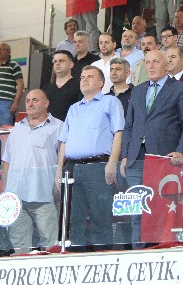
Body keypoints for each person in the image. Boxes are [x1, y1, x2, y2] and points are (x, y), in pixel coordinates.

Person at [121, 49, 183, 245]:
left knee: (161, 209)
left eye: (155, 62)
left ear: (166, 65)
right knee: (138, 212)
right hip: (136, 159)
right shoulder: (138, 90)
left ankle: (160, 253)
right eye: (147, 62)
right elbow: (129, 126)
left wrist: (182, 151)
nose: (151, 66)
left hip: (163, 159)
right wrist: (125, 155)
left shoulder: (180, 88)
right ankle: (139, 255)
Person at [56, 66, 124, 248]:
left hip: (97, 167)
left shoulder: (110, 102)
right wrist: (59, 171)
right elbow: (64, 142)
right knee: (73, 220)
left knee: (100, 218)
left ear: (101, 83)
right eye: (82, 77)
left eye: (90, 76)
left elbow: (118, 133)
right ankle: (75, 258)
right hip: (72, 169)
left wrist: (112, 163)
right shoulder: (73, 109)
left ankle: (103, 259)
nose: (84, 80)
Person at [3, 90, 61, 251]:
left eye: (35, 100)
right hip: (17, 198)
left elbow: (64, 160)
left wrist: (58, 185)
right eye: (27, 100)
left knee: (50, 244)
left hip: (44, 195)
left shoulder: (58, 127)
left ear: (46, 103)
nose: (30, 104)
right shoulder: (17, 129)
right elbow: (7, 162)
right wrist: (6, 193)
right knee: (19, 246)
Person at [0, 42, 24, 127]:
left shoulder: (14, 65)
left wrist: (16, 103)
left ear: (9, 52)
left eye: (2, 49)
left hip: (5, 103)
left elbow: (20, 85)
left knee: (6, 129)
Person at [42, 51, 81, 122]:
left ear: (71, 64)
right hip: (48, 128)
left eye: (61, 61)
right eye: (55, 61)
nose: (57, 63)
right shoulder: (45, 90)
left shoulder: (80, 86)